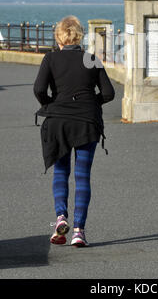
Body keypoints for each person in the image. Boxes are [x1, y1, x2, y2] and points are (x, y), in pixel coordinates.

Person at [33, 15, 115, 247]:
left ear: (59, 37)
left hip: (58, 122)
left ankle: (61, 217)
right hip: (87, 123)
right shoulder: (91, 59)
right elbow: (108, 93)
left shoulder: (50, 58)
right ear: (79, 37)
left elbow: (39, 89)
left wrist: (50, 104)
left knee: (61, 171)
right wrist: (90, 104)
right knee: (82, 176)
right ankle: (79, 230)